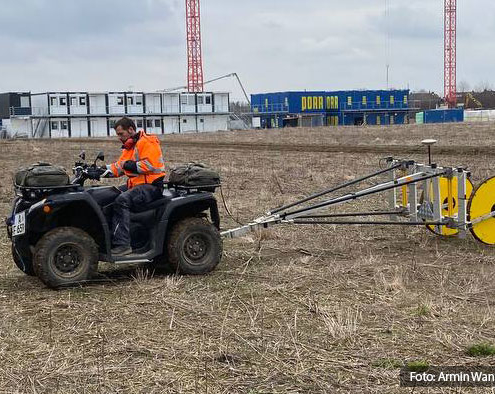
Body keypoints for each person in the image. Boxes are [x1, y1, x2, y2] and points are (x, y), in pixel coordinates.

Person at [104, 117, 166, 256]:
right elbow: (119, 167)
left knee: (121, 200)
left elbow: (150, 164)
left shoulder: (147, 141)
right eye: (118, 135)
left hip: (151, 186)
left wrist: (129, 165)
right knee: (110, 194)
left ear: (131, 129)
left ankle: (123, 245)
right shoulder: (130, 146)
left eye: (121, 134)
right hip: (137, 185)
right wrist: (99, 170)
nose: (119, 138)